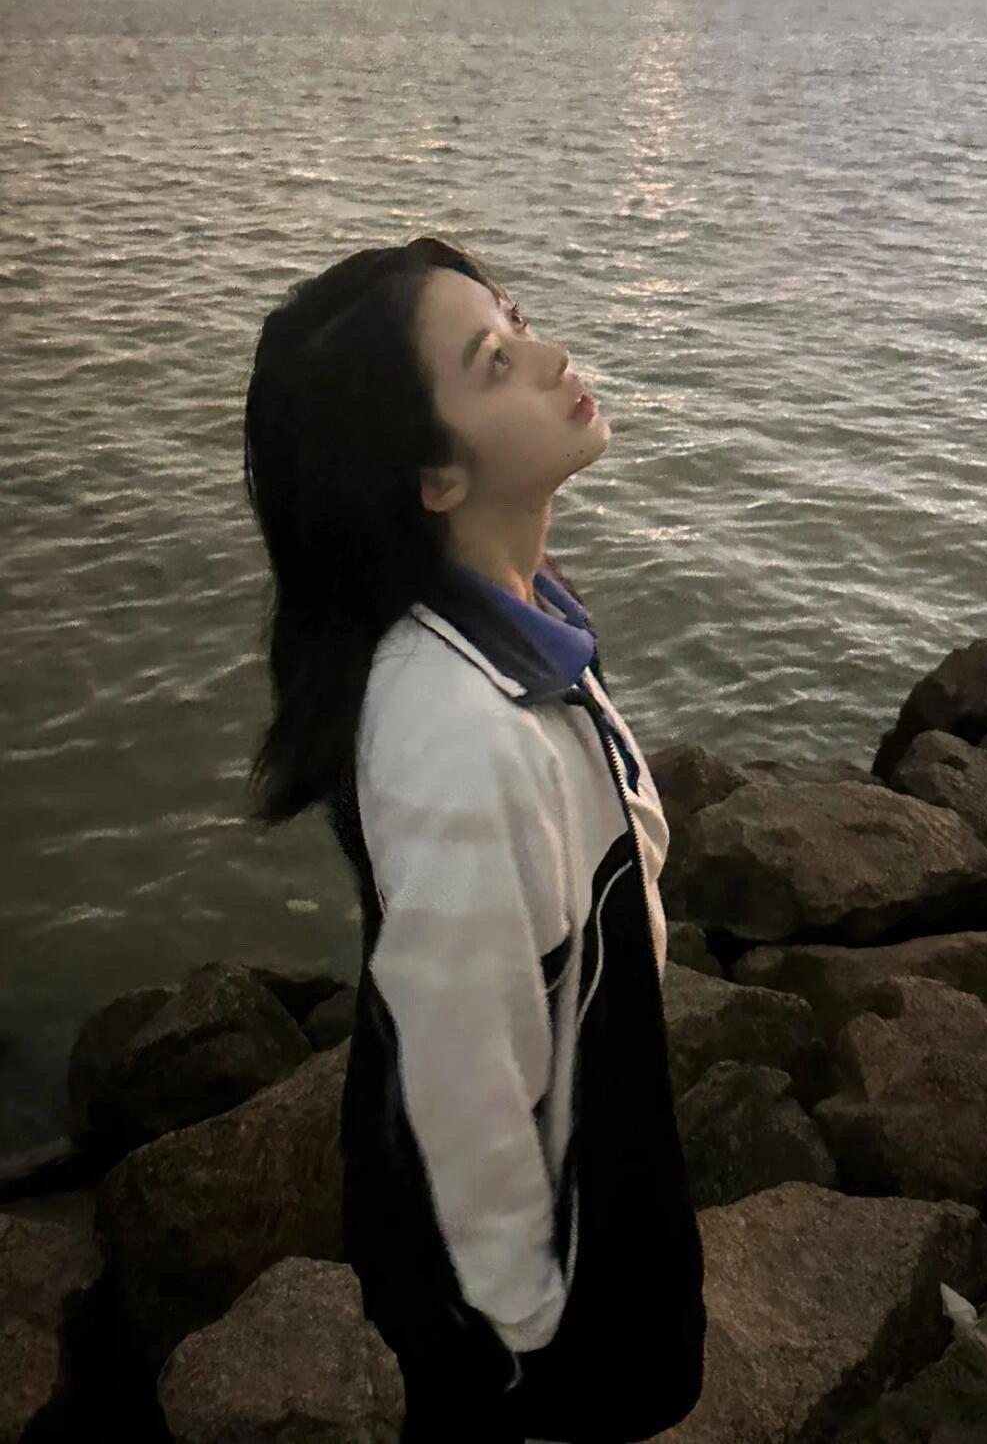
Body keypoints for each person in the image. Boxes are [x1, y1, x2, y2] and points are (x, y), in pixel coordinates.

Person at [241, 234, 706, 1443]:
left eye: (518, 322)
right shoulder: (452, 730)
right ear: (434, 476)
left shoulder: (522, 615)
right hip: (516, 1270)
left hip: (585, 1120)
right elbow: (461, 1087)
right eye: (494, 360)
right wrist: (526, 1335)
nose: (551, 358)